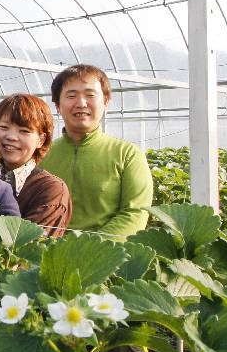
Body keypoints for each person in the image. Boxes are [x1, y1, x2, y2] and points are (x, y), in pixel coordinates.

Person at [39, 64, 153, 239]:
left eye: (90, 95)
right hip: (46, 258)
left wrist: (91, 250)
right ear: (57, 105)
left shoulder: (127, 154)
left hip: (107, 259)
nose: (81, 103)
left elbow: (135, 213)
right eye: (71, 96)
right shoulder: (42, 154)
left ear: (106, 102)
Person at [0, 93, 72, 237]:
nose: (11, 137)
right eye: (4, 127)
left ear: (41, 140)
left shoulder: (51, 190)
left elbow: (27, 249)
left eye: (24, 131)